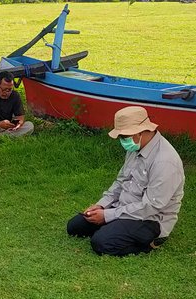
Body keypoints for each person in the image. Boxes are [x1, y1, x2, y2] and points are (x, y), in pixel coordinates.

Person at [66, 106, 185, 256]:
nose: (122, 141)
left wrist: (107, 215)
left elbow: (150, 207)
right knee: (75, 226)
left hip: (150, 219)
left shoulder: (165, 161)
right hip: (123, 208)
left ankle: (150, 243)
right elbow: (120, 182)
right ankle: (115, 227)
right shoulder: (135, 147)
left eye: (123, 136)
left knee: (101, 243)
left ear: (140, 132)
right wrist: (101, 205)